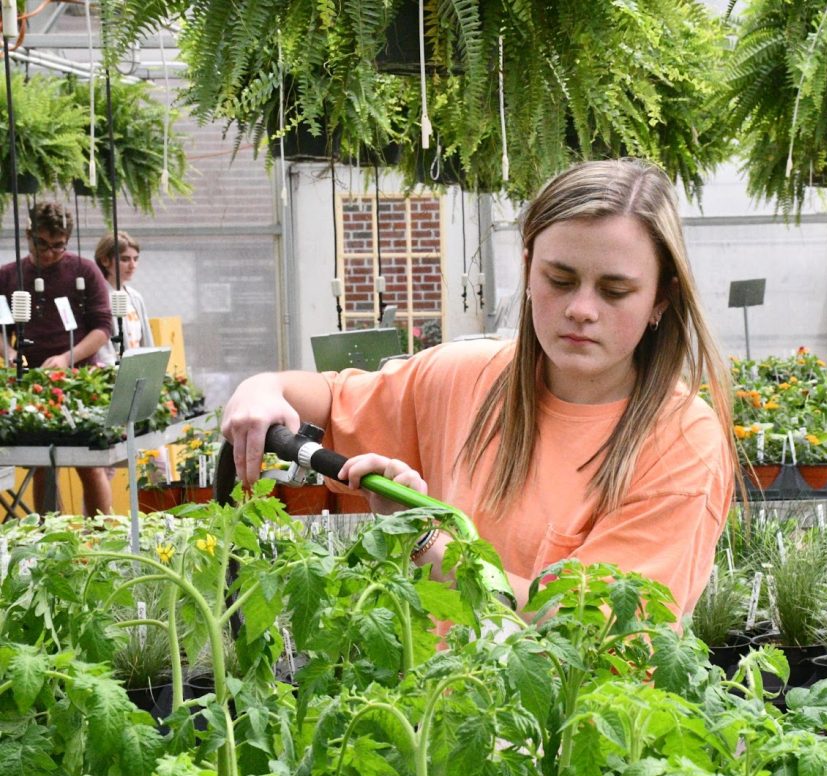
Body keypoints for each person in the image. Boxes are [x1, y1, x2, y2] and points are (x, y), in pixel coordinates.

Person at [223, 159, 736, 616]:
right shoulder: (465, 375)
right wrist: (261, 388)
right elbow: (328, 400)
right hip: (433, 696)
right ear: (529, 269)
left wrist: (426, 539)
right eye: (559, 280)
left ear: (661, 299)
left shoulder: (680, 442)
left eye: (615, 290)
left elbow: (591, 631)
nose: (581, 309)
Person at [0, 202, 113, 516]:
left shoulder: (83, 271)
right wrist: (9, 353)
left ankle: (102, 532)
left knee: (88, 462)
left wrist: (67, 358)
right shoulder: (9, 275)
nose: (49, 253)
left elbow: (103, 328)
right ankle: (50, 534)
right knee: (43, 463)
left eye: (58, 246)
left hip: (80, 380)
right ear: (28, 235)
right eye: (42, 244)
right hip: (32, 381)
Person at [93, 231, 153, 366]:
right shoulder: (98, 297)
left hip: (138, 370)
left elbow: (146, 341)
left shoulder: (135, 297)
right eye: (125, 259)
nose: (132, 265)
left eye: (135, 259)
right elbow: (102, 348)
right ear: (105, 260)